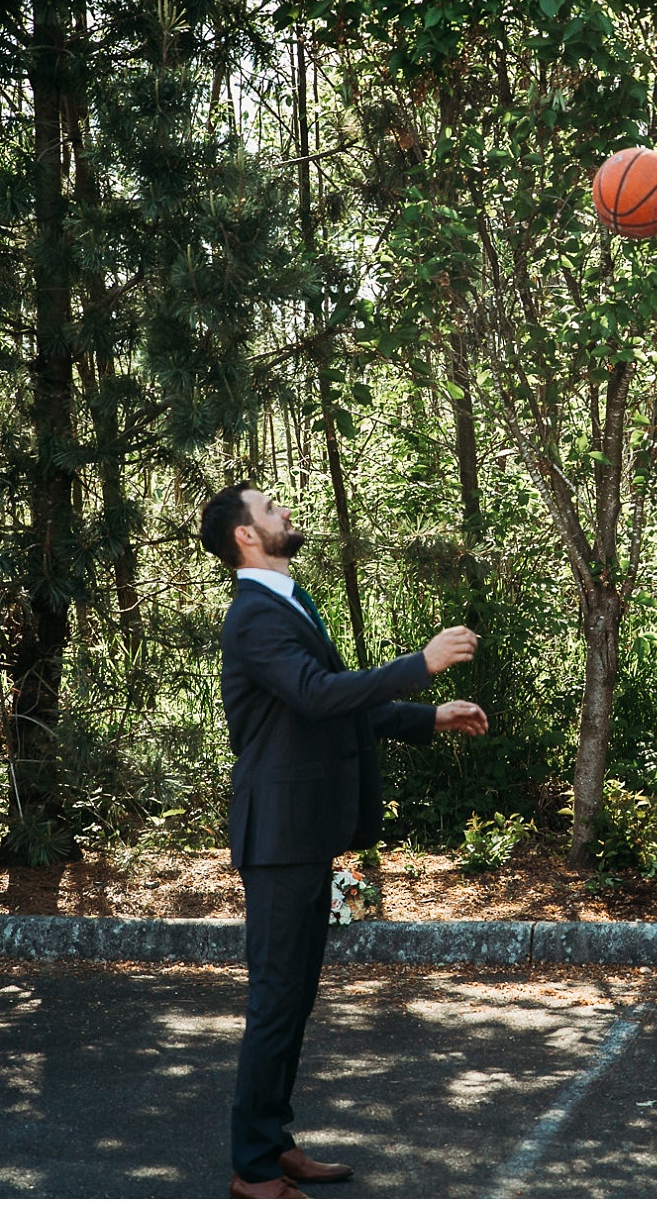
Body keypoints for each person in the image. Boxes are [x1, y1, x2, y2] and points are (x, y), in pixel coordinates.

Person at [199, 482, 488, 1200]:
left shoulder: (287, 600)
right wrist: (421, 664)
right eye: (269, 509)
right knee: (275, 997)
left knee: (294, 997)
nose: (284, 511)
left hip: (306, 832)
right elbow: (319, 695)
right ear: (246, 536)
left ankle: (273, 1140)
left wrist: (428, 717)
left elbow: (333, 704)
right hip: (279, 836)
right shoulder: (253, 617)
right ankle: (252, 1168)